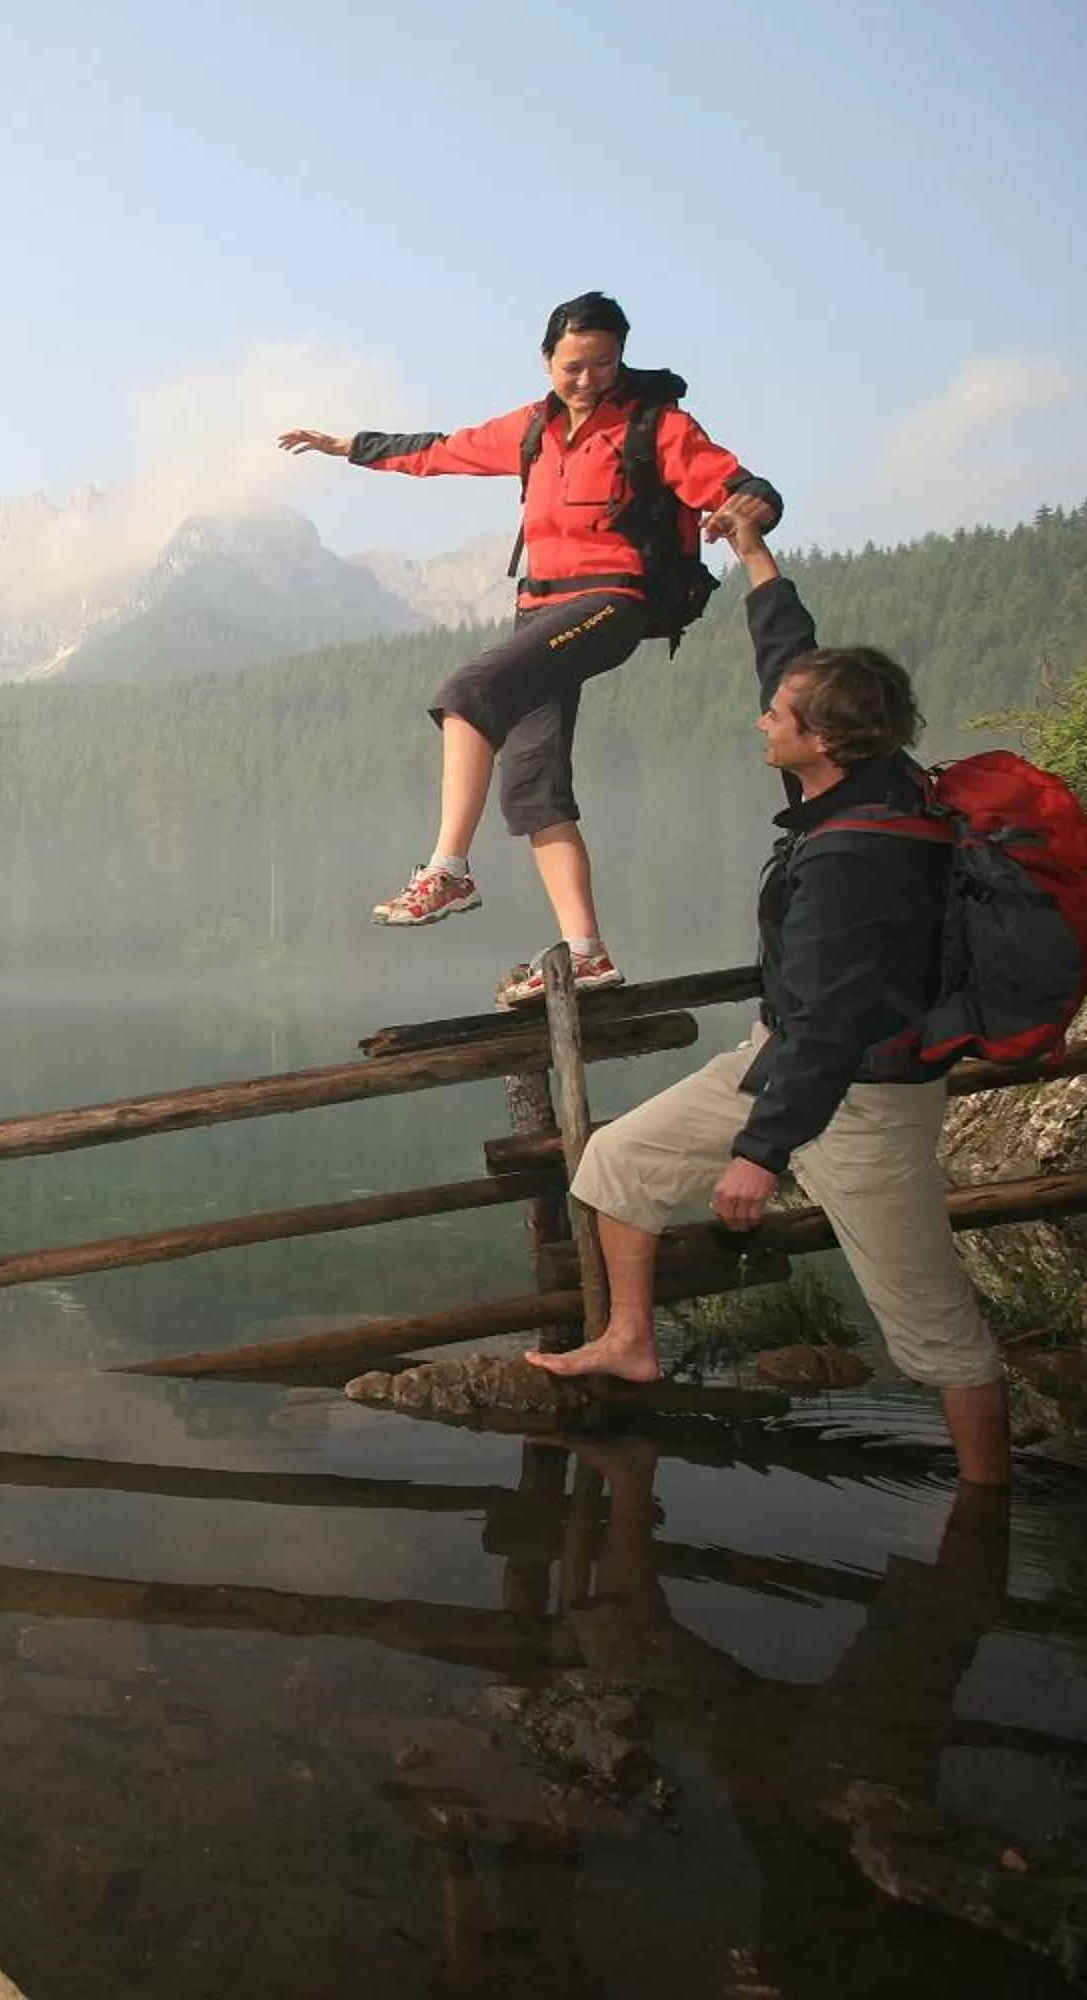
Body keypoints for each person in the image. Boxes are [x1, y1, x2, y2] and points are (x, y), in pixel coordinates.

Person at [527, 506, 1011, 1487]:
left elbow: (838, 1023)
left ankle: (988, 1509)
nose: (762, 718)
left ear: (821, 737)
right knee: (617, 1163)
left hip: (862, 1098)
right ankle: (630, 1338)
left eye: (778, 717)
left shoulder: (857, 855)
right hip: (779, 1060)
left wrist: (760, 1153)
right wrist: (752, 556)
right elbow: (792, 656)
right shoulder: (863, 783)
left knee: (935, 1330)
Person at [279, 291, 783, 1004]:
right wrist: (350, 447)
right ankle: (588, 956)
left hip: (611, 602)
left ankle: (447, 868)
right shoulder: (531, 430)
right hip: (538, 613)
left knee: (467, 695)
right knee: (533, 790)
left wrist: (750, 502)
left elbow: (733, 481)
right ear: (547, 360)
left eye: (603, 364)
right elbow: (440, 450)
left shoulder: (656, 425)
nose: (587, 379)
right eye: (574, 365)